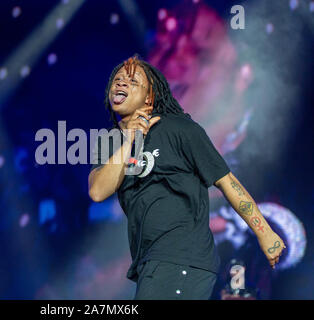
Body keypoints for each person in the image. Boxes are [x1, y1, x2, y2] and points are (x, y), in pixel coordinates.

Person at [88, 55, 286, 300]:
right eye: (116, 81)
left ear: (149, 96)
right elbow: (97, 191)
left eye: (131, 81)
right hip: (150, 262)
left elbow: (227, 182)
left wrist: (264, 231)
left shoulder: (181, 130)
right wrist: (130, 138)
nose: (120, 85)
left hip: (184, 259)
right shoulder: (113, 142)